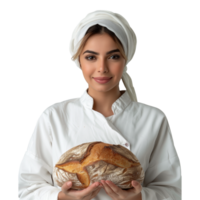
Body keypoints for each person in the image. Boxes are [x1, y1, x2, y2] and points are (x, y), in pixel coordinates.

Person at [16, 9, 184, 200]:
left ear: (126, 59)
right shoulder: (53, 117)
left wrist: (140, 198)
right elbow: (26, 189)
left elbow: (174, 192)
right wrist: (62, 198)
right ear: (79, 60)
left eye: (113, 56)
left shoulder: (154, 119)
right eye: (91, 57)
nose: (102, 68)